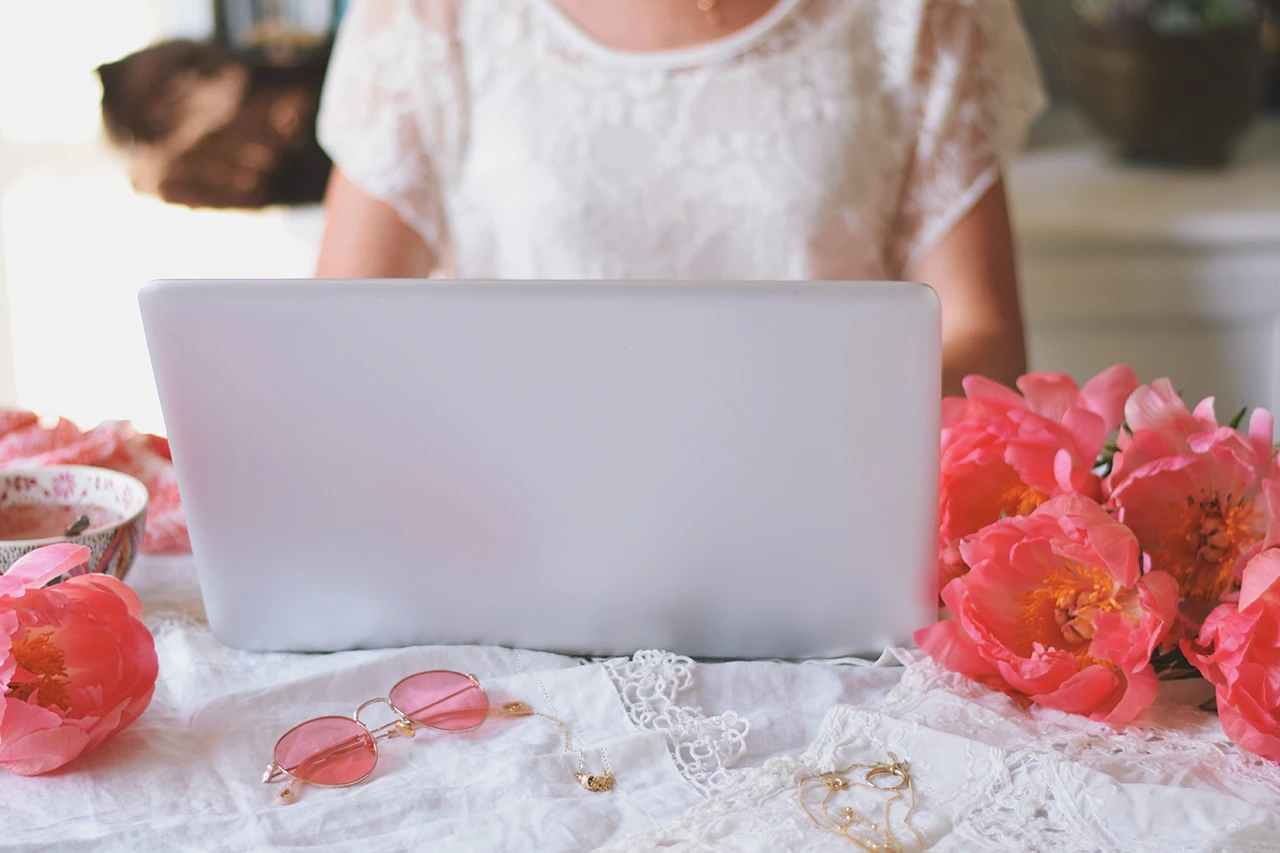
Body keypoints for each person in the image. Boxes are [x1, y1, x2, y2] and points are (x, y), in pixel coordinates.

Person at [314, 0, 1047, 396]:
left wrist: (811, 411)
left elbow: (984, 342)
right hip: (509, 529)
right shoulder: (426, 13)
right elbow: (334, 340)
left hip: (814, 531)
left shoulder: (922, 12)